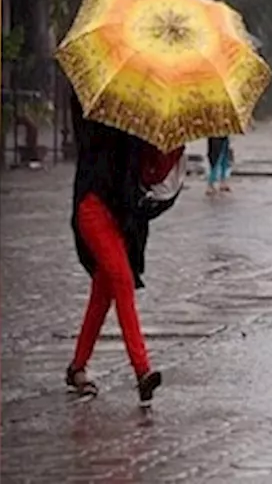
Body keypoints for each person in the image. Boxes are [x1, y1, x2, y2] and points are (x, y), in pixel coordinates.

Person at [65, 93, 184, 408]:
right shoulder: (93, 103)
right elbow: (87, 136)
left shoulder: (143, 109)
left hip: (124, 216)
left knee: (103, 294)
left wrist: (168, 135)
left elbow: (151, 168)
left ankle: (77, 368)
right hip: (92, 205)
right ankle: (142, 371)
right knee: (121, 280)